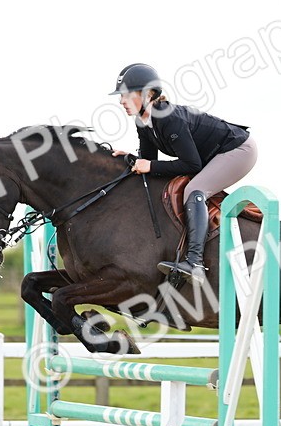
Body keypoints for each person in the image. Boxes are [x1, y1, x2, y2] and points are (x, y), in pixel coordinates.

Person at [109, 63, 256, 284]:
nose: (122, 101)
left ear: (148, 94)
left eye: (127, 95)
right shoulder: (143, 121)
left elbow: (191, 164)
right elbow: (149, 161)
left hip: (238, 150)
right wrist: (131, 159)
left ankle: (195, 262)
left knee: (195, 190)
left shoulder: (169, 118)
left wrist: (149, 166)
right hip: (212, 155)